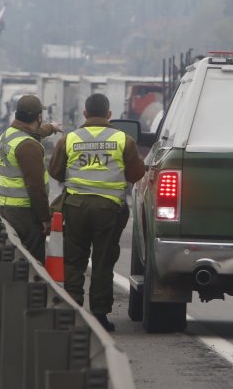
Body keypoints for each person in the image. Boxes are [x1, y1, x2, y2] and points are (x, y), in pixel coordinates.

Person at [48, 93, 145, 332]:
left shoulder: (70, 139)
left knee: (74, 260)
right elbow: (136, 175)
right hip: (108, 210)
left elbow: (56, 171)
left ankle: (73, 312)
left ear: (85, 114)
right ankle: (100, 315)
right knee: (103, 262)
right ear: (109, 114)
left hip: (75, 207)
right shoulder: (123, 140)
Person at [0, 94, 61, 262]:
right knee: (32, 262)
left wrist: (51, 127)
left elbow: (35, 132)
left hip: (7, 208)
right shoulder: (29, 146)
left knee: (14, 257)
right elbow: (35, 188)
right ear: (38, 117)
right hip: (26, 214)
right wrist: (45, 219)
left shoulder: (8, 135)